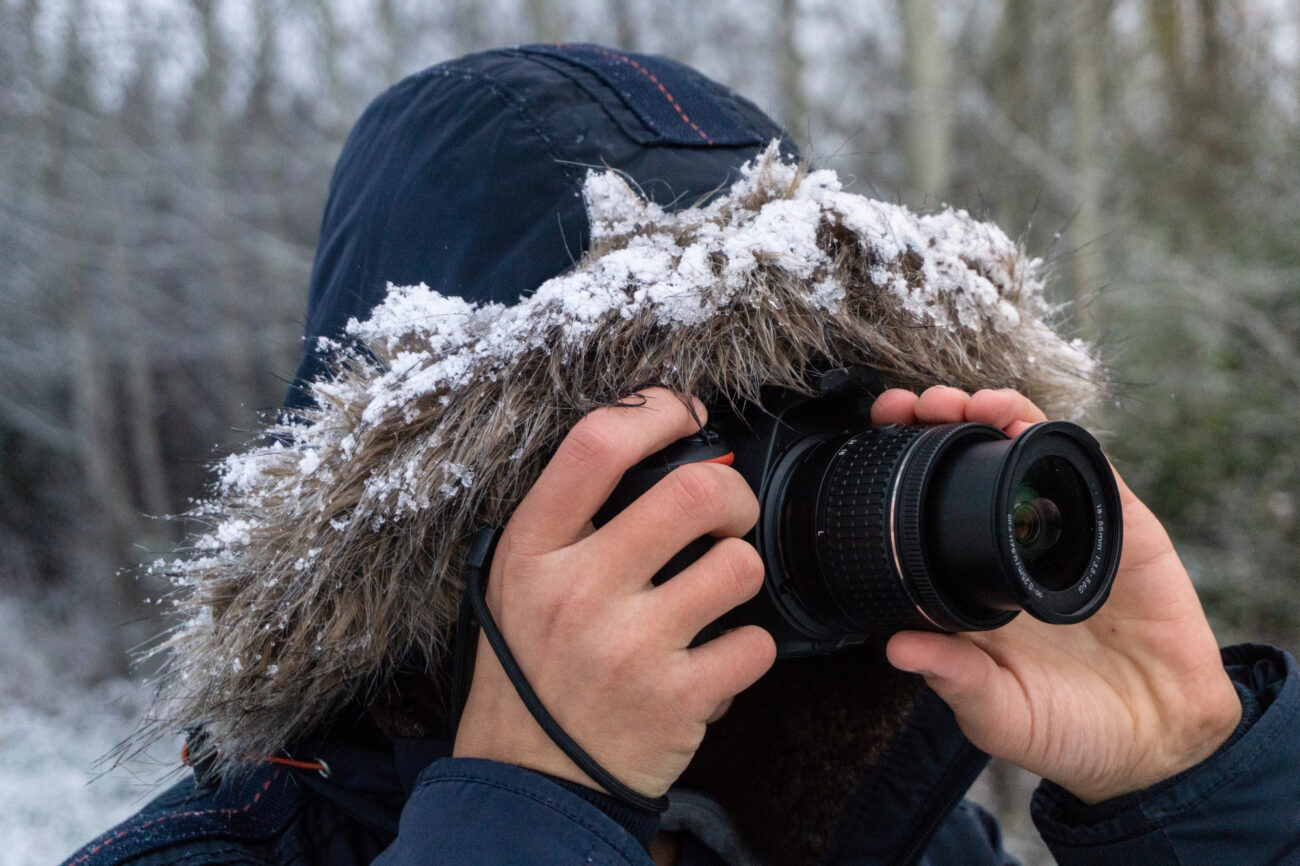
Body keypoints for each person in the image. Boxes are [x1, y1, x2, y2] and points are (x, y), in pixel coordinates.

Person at [66, 44, 1299, 866]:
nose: (748, 503)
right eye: (676, 433)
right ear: (447, 530)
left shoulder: (882, 828)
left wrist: (1191, 783)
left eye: (817, 409)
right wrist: (530, 811)